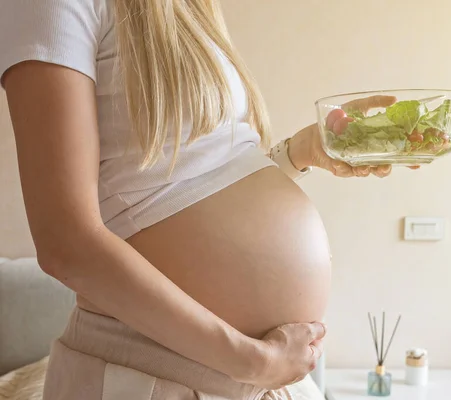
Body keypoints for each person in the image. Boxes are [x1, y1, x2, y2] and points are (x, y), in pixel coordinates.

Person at [0, 1, 398, 398]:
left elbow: (191, 173)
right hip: (150, 376)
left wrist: (301, 151)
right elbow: (65, 243)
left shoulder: (189, 6)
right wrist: (253, 361)